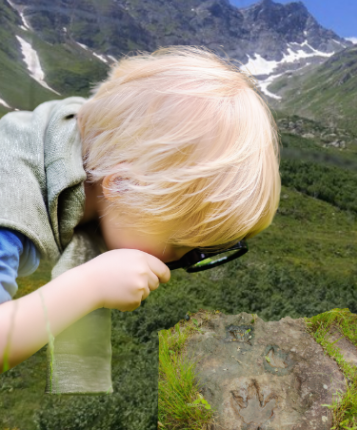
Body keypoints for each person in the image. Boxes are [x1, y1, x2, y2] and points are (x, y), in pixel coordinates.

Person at [0, 47, 281, 373]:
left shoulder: (77, 135)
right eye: (174, 245)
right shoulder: (10, 202)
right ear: (121, 187)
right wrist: (88, 286)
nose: (176, 260)